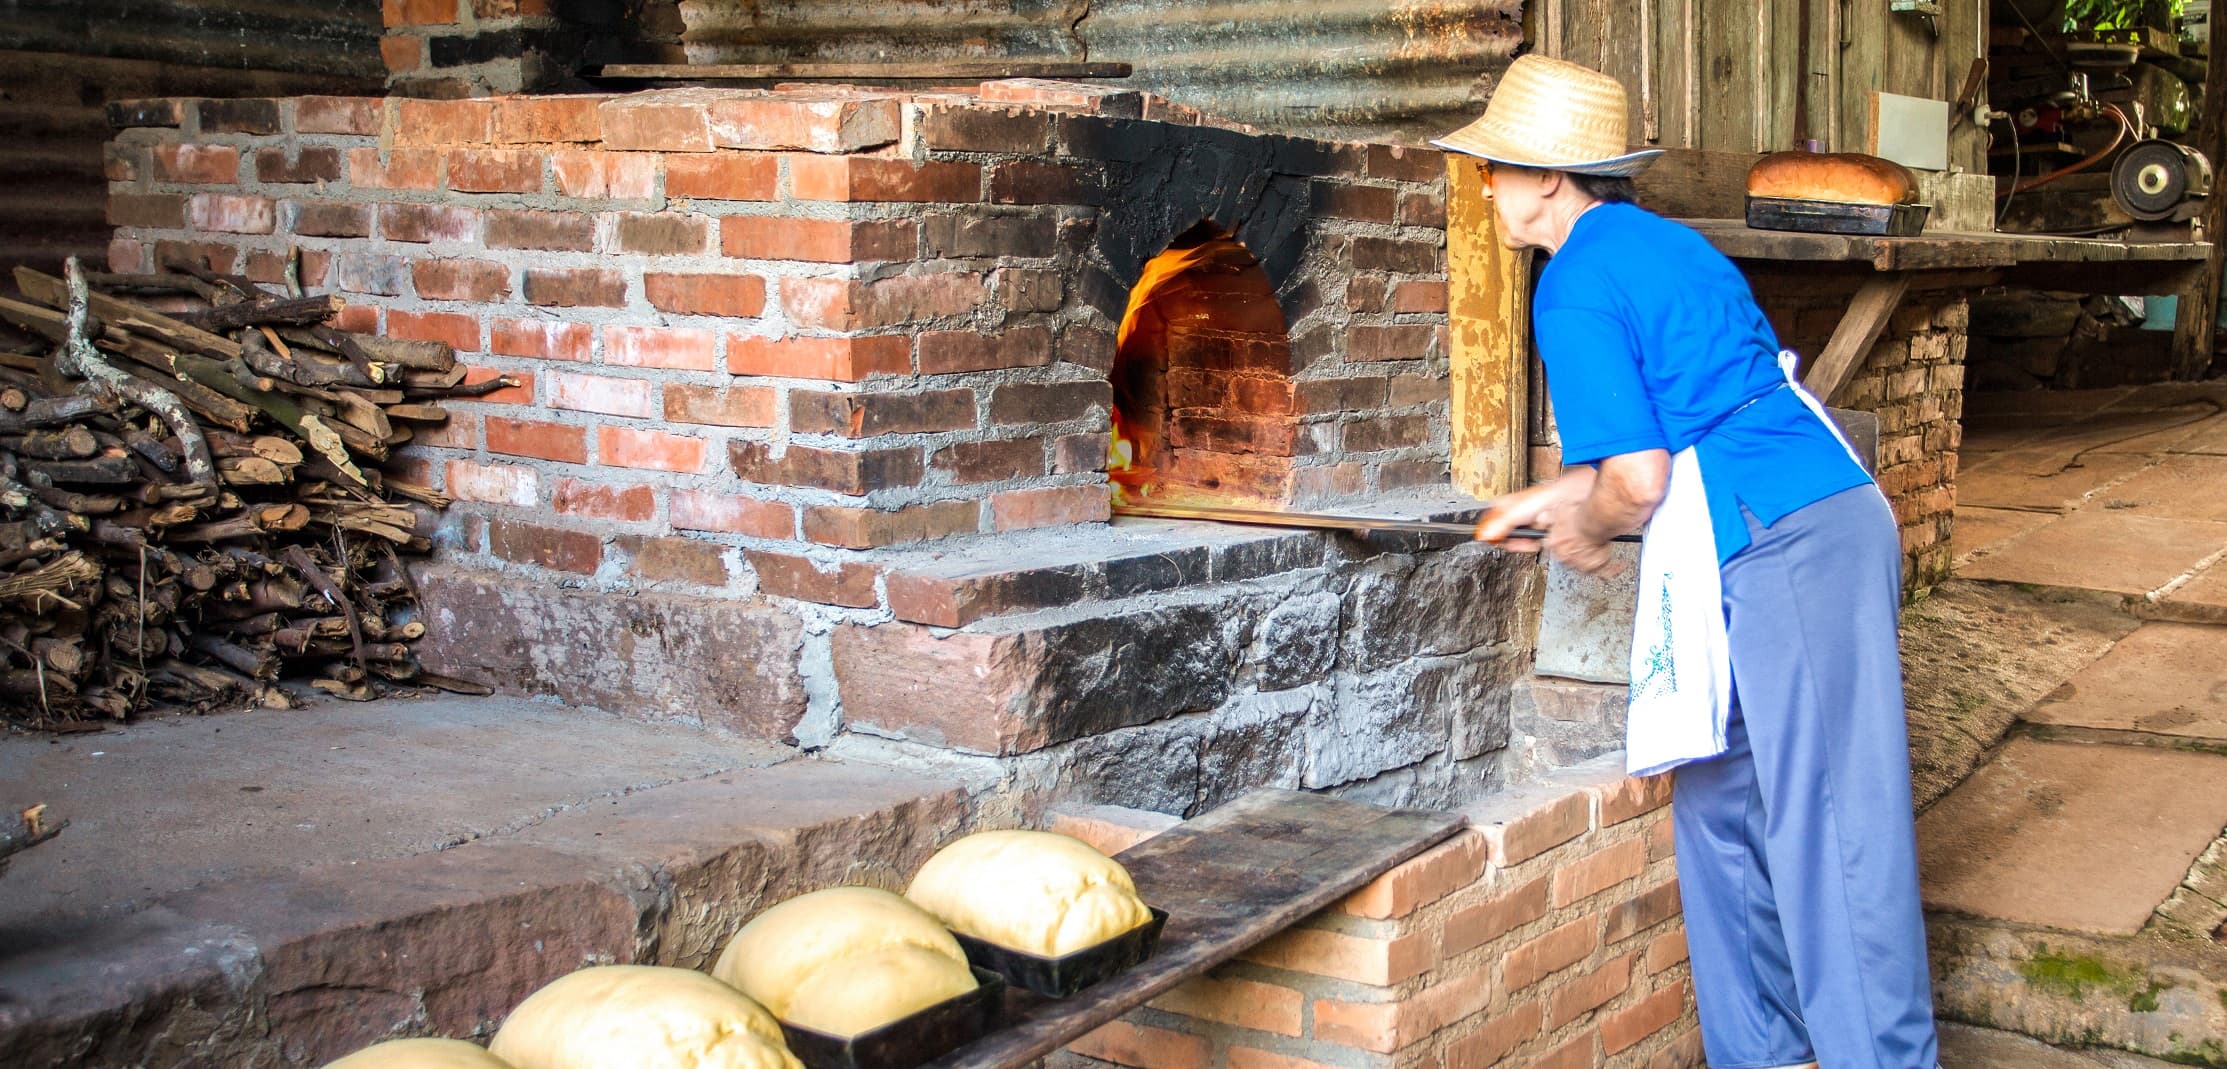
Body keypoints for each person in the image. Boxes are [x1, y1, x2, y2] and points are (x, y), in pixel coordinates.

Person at [1442, 54, 1943, 1069]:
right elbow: (1680, 419)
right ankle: (1764, 1051)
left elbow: (1637, 479)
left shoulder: (1571, 284)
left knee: (1833, 826)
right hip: (1796, 511)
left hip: (1788, 535)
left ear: (1548, 176)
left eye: (1495, 166)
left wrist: (1584, 525)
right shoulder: (1662, 245)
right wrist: (1551, 500)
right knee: (1723, 801)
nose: (1484, 183)